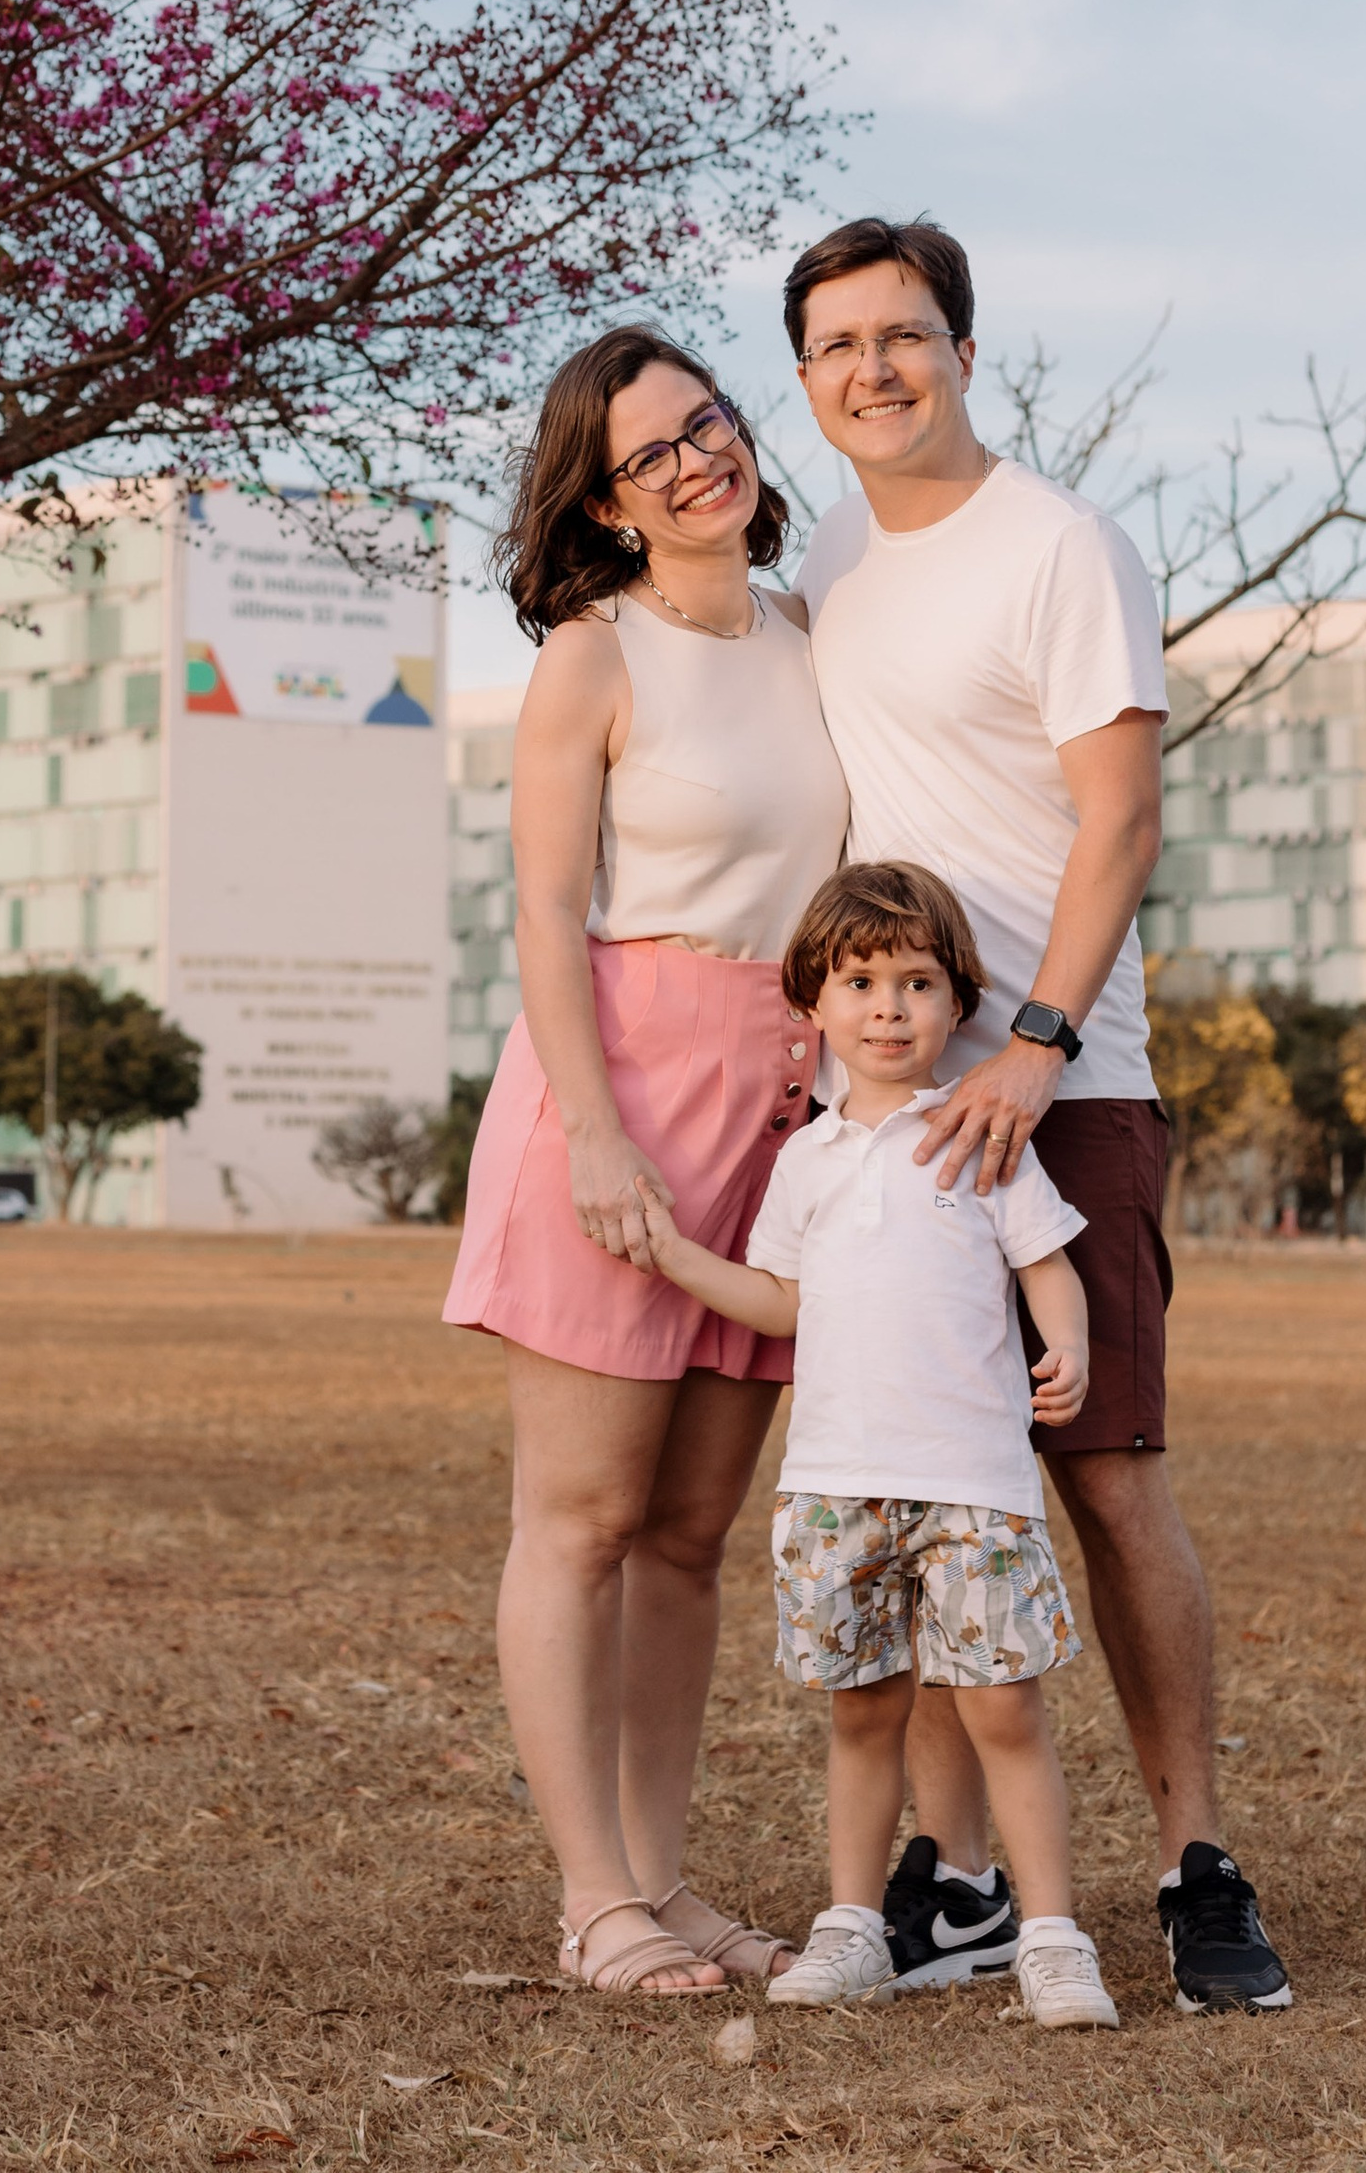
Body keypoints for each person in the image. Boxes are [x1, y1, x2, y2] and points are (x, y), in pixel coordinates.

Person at [782, 212, 1292, 2016]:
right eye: (837, 345)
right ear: (806, 378)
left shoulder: (1062, 543)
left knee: (1109, 1475)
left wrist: (1042, 1042)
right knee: (917, 1476)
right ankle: (964, 1885)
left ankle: (1196, 1864)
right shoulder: (832, 548)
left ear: (966, 351)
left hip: (1065, 1087)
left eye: (904, 334)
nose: (874, 368)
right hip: (898, 1103)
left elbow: (1123, 824)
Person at [444, 326, 850, 1995]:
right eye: (650, 456)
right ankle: (592, 1898)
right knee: (584, 1519)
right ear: (605, 508)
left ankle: (666, 1884)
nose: (699, 462)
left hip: (781, 1103)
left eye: (709, 424)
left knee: (691, 1531)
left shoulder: (811, 637)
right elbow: (544, 911)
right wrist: (598, 1134)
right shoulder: (591, 658)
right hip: (616, 1091)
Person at [633, 861, 1121, 2031]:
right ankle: (850, 1928)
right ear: (813, 1001)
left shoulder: (976, 1132)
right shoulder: (804, 1159)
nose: (889, 1007)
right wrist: (668, 1256)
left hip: (971, 1485)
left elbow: (1043, 1262)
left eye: (916, 983)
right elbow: (779, 1300)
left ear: (961, 1005)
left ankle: (1050, 1939)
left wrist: (1070, 1348)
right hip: (834, 1486)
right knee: (863, 1712)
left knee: (1002, 1706)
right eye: (860, 982)